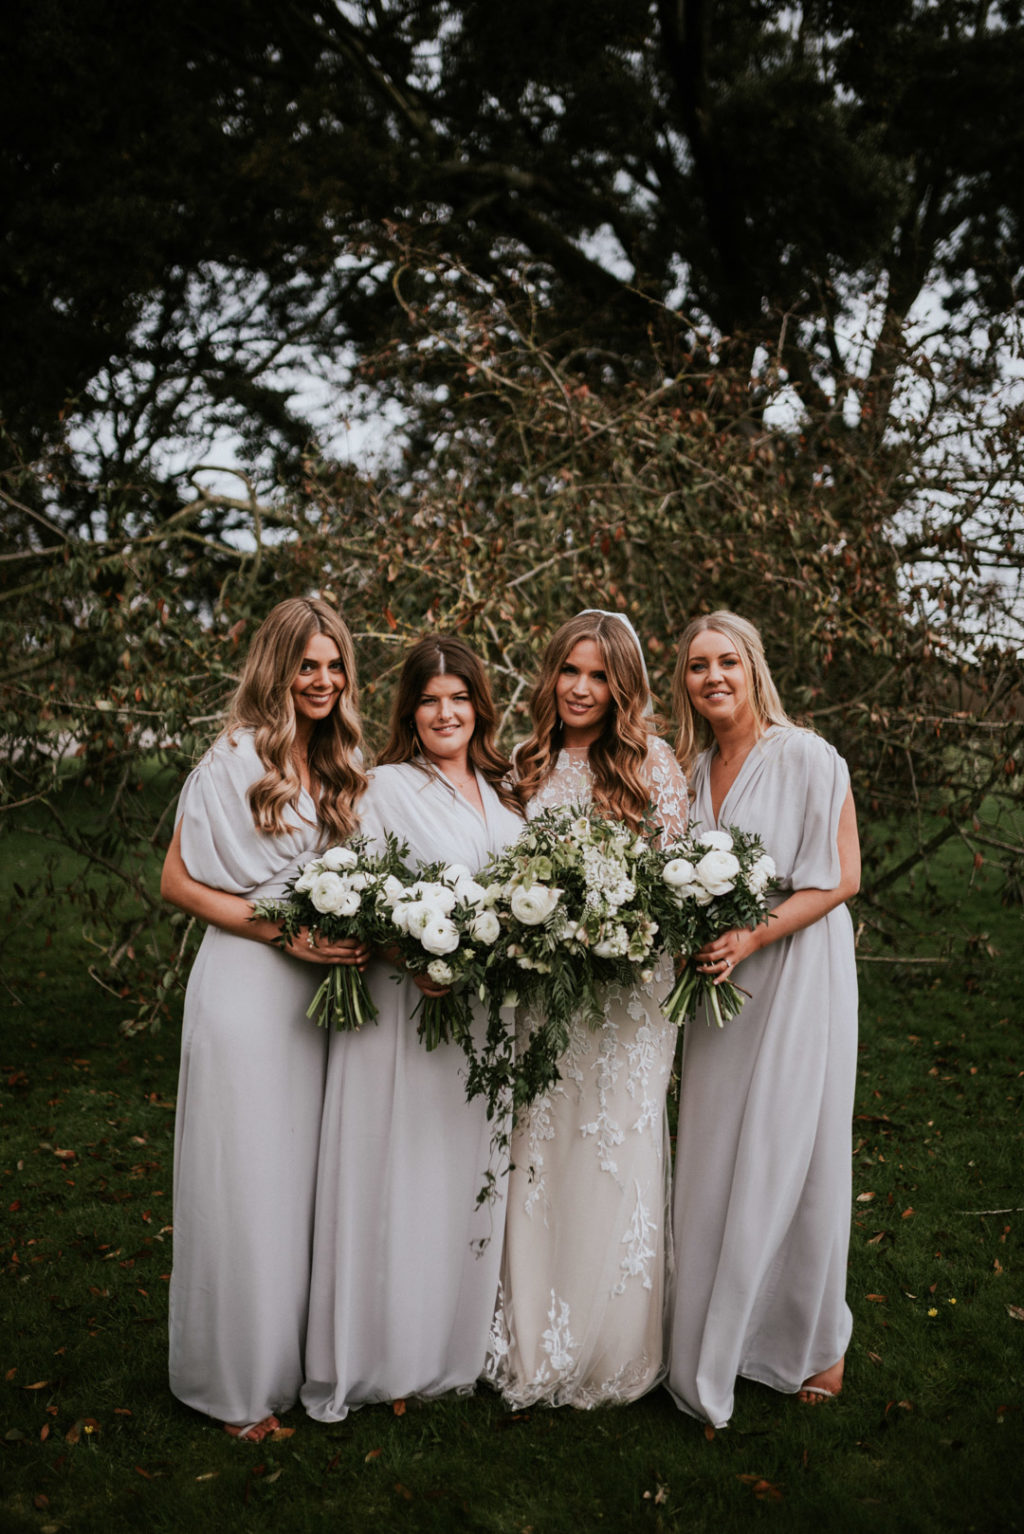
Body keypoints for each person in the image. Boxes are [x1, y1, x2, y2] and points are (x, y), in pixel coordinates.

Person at [301, 636, 525, 1421]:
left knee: (461, 1177)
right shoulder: (385, 787)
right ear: (409, 711)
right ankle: (381, 1353)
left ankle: (448, 1350)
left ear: (479, 707)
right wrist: (411, 953)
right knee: (397, 1174)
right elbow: (354, 891)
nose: (445, 712)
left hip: (484, 1024)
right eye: (430, 700)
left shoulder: (503, 798)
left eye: (459, 697)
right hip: (407, 1010)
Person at [161, 597, 367, 1442]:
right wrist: (289, 932)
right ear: (276, 668)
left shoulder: (342, 756)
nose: (321, 681)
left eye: (334, 666)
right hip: (249, 985)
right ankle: (236, 1390)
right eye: (306, 665)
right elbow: (178, 883)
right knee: (245, 1182)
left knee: (298, 1185)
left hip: (314, 1004)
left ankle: (292, 1363)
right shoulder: (234, 755)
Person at [485, 610, 689, 1408]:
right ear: (550, 676)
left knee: (612, 1150)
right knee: (541, 1152)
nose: (580, 688)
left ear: (622, 686)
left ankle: (611, 1345)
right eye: (569, 671)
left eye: (599, 675)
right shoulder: (525, 767)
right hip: (543, 995)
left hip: (627, 1004)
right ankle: (530, 1333)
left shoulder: (654, 765)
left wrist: (618, 929)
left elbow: (674, 887)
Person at [666, 611, 860, 1428]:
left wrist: (754, 934)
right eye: (697, 666)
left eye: (726, 663)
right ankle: (722, 1332)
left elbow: (843, 877)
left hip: (795, 970)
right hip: (721, 985)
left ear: (753, 668)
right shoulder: (690, 771)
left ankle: (812, 1339)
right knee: (712, 1151)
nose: (712, 677)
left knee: (795, 1148)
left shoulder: (807, 757)